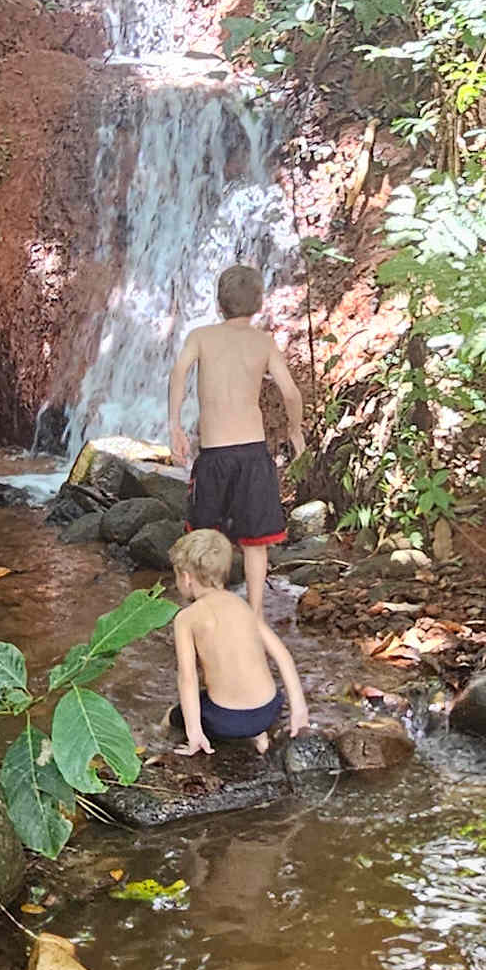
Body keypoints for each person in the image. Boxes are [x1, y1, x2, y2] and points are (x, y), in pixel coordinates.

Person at [166, 262, 305, 607]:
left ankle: (211, 609)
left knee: (206, 539)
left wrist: (175, 426)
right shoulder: (264, 342)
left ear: (218, 303)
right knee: (255, 543)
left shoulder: (201, 337)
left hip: (214, 455)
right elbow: (290, 392)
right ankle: (255, 614)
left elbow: (179, 374)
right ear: (259, 303)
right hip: (254, 456)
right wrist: (295, 430)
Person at [167, 528, 308, 758]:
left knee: (173, 716)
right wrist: (299, 709)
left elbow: (188, 678)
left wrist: (195, 732)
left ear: (186, 577)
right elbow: (283, 656)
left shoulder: (187, 618)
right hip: (268, 710)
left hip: (226, 720)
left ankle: (170, 741)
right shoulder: (241, 605)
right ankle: (261, 738)